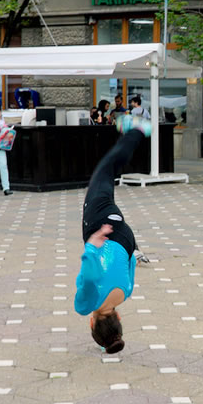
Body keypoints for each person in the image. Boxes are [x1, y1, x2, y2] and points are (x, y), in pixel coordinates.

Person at [75, 115, 153, 354]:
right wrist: (92, 246)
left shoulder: (124, 295)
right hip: (101, 229)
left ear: (119, 317)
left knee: (108, 176)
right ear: (92, 322)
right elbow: (89, 277)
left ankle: (132, 133)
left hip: (125, 237)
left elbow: (130, 262)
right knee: (106, 170)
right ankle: (137, 130)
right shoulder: (87, 305)